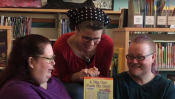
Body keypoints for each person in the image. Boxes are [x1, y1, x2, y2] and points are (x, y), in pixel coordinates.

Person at [52, 6, 114, 99]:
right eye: (86, 38)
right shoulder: (61, 46)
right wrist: (79, 75)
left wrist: (90, 78)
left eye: (97, 38)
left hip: (93, 81)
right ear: (76, 30)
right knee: (79, 92)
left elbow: (103, 77)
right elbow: (63, 77)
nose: (91, 44)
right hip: (65, 80)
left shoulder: (107, 43)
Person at [0, 34, 71, 99]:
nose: (53, 62)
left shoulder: (53, 81)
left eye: (53, 58)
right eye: (49, 59)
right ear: (31, 61)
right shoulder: (17, 89)